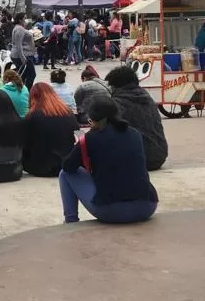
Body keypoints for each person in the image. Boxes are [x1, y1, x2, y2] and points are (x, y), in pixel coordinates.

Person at [59, 94, 159, 224]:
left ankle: (71, 220)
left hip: (112, 210)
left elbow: (67, 166)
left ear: (93, 119)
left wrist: (78, 148)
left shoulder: (90, 138)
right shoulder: (135, 134)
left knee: (64, 174)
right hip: (147, 206)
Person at [105, 65, 168, 171]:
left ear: (115, 86)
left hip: (139, 160)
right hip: (159, 156)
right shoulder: (147, 98)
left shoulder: (117, 103)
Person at [22, 83, 79, 177]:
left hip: (41, 167)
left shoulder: (32, 116)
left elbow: (25, 144)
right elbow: (78, 135)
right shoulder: (68, 112)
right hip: (67, 163)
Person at [9, 15, 37, 87]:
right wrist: (22, 57)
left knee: (23, 75)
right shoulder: (19, 29)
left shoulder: (19, 28)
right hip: (24, 55)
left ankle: (21, 90)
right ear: (20, 20)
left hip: (22, 54)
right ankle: (27, 91)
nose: (26, 20)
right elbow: (19, 44)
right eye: (24, 18)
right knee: (31, 75)